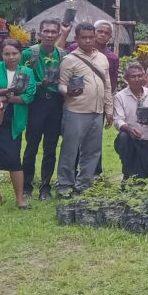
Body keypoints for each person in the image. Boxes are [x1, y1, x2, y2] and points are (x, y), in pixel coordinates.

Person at [55, 23, 112, 196]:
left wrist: (109, 108)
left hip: (97, 111)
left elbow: (107, 85)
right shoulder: (69, 60)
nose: (88, 41)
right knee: (70, 149)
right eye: (83, 37)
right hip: (76, 110)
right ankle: (64, 185)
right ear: (77, 39)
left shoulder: (102, 58)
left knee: (93, 150)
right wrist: (68, 92)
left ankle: (84, 184)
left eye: (90, 37)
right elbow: (61, 85)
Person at [0, 40, 37, 208]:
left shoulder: (26, 71)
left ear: (20, 54)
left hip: (13, 121)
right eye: (7, 54)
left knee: (13, 159)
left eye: (14, 53)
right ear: (2, 54)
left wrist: (6, 98)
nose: (11, 57)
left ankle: (20, 199)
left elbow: (29, 95)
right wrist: (3, 97)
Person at [20, 18, 65, 201]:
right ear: (39, 33)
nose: (49, 35)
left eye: (53, 32)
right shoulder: (29, 54)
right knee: (31, 145)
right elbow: (21, 81)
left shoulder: (62, 55)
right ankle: (26, 186)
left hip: (55, 103)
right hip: (36, 103)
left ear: (58, 34)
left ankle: (45, 187)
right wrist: (39, 84)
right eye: (46, 31)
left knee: (50, 147)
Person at [113, 62, 148, 180]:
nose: (137, 79)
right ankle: (128, 174)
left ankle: (135, 180)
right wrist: (130, 129)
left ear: (144, 77)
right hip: (130, 139)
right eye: (133, 76)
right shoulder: (120, 96)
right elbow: (118, 120)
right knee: (124, 137)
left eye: (140, 76)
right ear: (126, 79)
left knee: (146, 176)